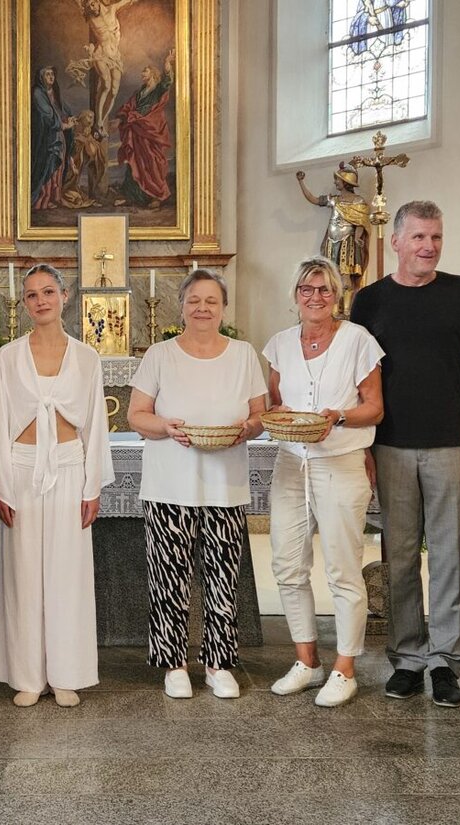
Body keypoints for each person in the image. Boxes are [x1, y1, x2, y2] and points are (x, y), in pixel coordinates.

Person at [350, 200, 460, 708]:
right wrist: (364, 447)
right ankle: (408, 658)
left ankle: (446, 663)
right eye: (418, 237)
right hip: (389, 444)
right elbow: (358, 379)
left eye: (435, 237)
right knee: (401, 555)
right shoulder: (368, 301)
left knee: (449, 556)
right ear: (395, 241)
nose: (428, 246)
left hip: (450, 443)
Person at [126, 269, 267, 700]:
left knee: (224, 577)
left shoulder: (243, 354)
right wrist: (166, 426)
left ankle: (219, 662)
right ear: (182, 306)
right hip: (170, 485)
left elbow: (261, 417)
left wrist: (247, 427)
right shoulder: (160, 354)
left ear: (223, 307)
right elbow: (136, 416)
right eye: (194, 300)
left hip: (225, 485)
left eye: (211, 301)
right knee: (169, 578)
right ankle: (173, 665)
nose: (202, 308)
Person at [0, 263, 114, 708]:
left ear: (64, 296)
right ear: (24, 303)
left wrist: (92, 486)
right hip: (22, 469)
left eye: (47, 292)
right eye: (31, 295)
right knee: (22, 571)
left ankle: (66, 672)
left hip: (68, 466)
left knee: (67, 573)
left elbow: (96, 425)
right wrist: (0, 486)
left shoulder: (86, 357)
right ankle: (27, 674)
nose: (40, 300)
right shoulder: (8, 356)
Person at [262, 257, 384, 707]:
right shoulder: (278, 345)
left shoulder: (358, 341)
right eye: (307, 289)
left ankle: (345, 667)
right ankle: (307, 661)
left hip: (341, 462)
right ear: (295, 295)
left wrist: (341, 416)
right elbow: (275, 404)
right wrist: (274, 417)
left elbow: (374, 407)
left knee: (342, 568)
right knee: (288, 565)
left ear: (337, 296)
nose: (315, 297)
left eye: (324, 289)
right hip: (292, 464)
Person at [295, 164, 372, 316]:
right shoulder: (334, 200)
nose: (336, 183)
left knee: (346, 276)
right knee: (330, 276)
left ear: (346, 182)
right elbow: (314, 199)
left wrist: (357, 236)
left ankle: (348, 310)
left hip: (347, 242)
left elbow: (360, 221)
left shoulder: (358, 202)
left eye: (338, 180)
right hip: (332, 241)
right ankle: (333, 309)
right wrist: (301, 182)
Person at [114, 50, 175, 209]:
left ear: (153, 74)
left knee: (151, 162)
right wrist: (124, 114)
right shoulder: (140, 91)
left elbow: (167, 81)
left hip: (151, 130)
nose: (142, 74)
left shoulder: (158, 89)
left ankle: (156, 196)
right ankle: (131, 196)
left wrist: (168, 64)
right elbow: (130, 105)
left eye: (145, 71)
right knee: (134, 161)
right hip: (137, 131)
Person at [72, 0, 139, 136]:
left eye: (92, 4)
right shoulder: (90, 17)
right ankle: (98, 123)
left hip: (114, 55)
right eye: (88, 6)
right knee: (106, 85)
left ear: (98, 2)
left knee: (114, 91)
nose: (91, 7)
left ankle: (101, 121)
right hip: (100, 53)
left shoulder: (112, 9)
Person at [31, 66, 76, 210]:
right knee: (49, 165)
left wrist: (69, 119)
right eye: (47, 74)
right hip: (46, 138)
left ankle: (55, 197)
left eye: (52, 74)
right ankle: (44, 197)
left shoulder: (55, 94)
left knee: (59, 166)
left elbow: (60, 111)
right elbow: (48, 115)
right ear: (41, 77)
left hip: (58, 137)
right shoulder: (38, 93)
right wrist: (64, 125)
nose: (51, 77)